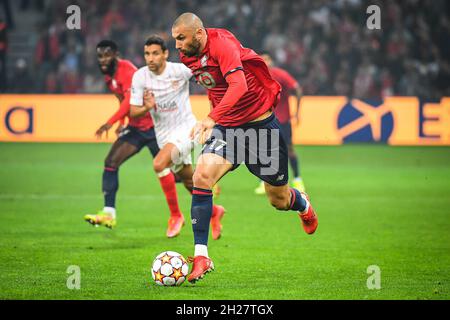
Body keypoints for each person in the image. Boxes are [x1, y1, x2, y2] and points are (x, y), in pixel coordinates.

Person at [171, 13, 318, 283]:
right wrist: (216, 120)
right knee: (201, 176)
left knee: (278, 199)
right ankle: (202, 255)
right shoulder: (187, 56)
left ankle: (302, 204)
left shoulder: (222, 43)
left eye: (181, 38)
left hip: (262, 129)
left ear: (199, 34)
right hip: (228, 129)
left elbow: (238, 86)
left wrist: (211, 117)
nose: (177, 45)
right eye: (175, 40)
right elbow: (213, 85)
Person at [129, 35, 225, 239]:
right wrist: (146, 107)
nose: (150, 58)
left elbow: (205, 75)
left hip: (186, 129)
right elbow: (133, 110)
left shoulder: (180, 70)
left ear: (165, 54)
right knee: (191, 182)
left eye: (155, 53)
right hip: (163, 135)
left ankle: (175, 216)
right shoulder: (140, 77)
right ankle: (215, 212)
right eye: (147, 54)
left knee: (158, 164)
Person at [84, 40, 179, 237]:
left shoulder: (127, 70)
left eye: (107, 55)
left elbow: (129, 101)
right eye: (100, 56)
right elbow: (123, 100)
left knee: (174, 172)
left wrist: (110, 122)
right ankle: (109, 213)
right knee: (111, 162)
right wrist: (122, 124)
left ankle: (204, 186)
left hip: (154, 126)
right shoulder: (109, 77)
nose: (103, 60)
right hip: (136, 128)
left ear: (116, 54)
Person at [254, 53, 305, 195]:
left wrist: (297, 112)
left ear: (271, 61)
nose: (265, 61)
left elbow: (298, 89)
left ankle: (297, 179)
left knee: (289, 149)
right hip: (264, 119)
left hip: (282, 120)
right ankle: (263, 183)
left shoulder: (280, 74)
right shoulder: (255, 75)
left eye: (267, 59)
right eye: (261, 59)